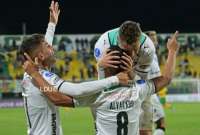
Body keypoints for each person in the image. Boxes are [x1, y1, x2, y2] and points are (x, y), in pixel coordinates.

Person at [23, 31, 179, 135]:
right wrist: (172, 51)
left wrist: (101, 68)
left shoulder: (97, 96)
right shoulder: (138, 91)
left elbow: (61, 97)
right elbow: (166, 78)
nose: (51, 48)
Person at [20, 1, 129, 135]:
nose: (52, 47)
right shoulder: (41, 76)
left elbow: (43, 48)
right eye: (48, 47)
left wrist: (52, 24)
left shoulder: (33, 73)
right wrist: (115, 79)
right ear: (41, 56)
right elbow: (76, 90)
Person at [94, 20, 161, 134]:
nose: (133, 54)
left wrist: (131, 72)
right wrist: (100, 66)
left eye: (135, 49)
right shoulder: (103, 45)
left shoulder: (148, 49)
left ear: (139, 40)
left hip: (135, 76)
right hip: (113, 81)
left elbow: (142, 84)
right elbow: (103, 84)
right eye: (127, 50)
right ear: (119, 41)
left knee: (145, 126)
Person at [145, 30, 166, 135]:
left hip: (144, 91)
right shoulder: (149, 53)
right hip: (148, 92)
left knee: (145, 128)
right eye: (152, 35)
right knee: (160, 123)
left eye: (155, 35)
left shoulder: (150, 52)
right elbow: (157, 78)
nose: (155, 37)